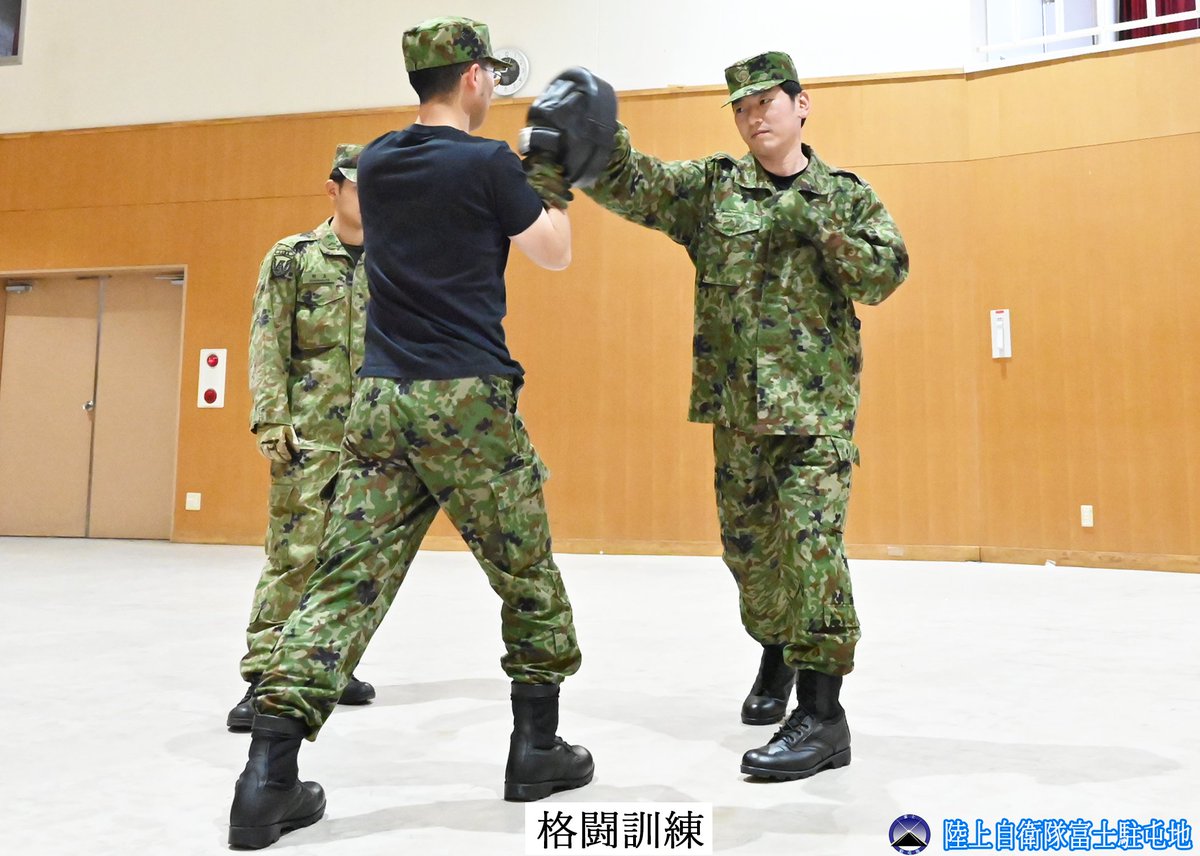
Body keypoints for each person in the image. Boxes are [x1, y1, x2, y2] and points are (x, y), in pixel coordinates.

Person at [227, 17, 593, 850]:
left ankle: (266, 779)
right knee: (525, 571)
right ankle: (536, 748)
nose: (495, 87)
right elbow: (554, 252)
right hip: (466, 400)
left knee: (342, 581)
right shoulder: (491, 163)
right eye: (490, 74)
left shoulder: (380, 161)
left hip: (382, 398)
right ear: (471, 77)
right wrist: (551, 171)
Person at [539, 50, 909, 780]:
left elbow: (884, 274)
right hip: (736, 414)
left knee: (811, 554)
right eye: (741, 107)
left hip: (816, 415)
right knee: (749, 558)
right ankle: (777, 649)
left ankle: (823, 714)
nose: (754, 116)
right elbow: (639, 185)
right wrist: (594, 137)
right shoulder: (713, 191)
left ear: (802, 106)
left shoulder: (845, 195)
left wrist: (815, 223)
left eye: (767, 101)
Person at [227, 144, 376, 732]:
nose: (370, 198)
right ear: (333, 188)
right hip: (308, 436)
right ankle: (263, 677)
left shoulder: (395, 260)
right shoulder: (294, 258)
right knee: (293, 555)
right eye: (359, 186)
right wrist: (269, 417)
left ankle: (329, 666)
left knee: (356, 562)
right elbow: (267, 338)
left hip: (374, 440)